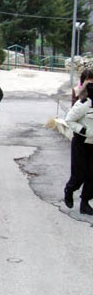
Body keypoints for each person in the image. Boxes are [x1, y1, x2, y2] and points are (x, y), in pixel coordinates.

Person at [64, 74, 93, 215]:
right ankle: (70, 189)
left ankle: (85, 203)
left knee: (92, 175)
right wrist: (83, 130)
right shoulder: (83, 104)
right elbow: (69, 120)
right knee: (79, 175)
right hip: (81, 143)